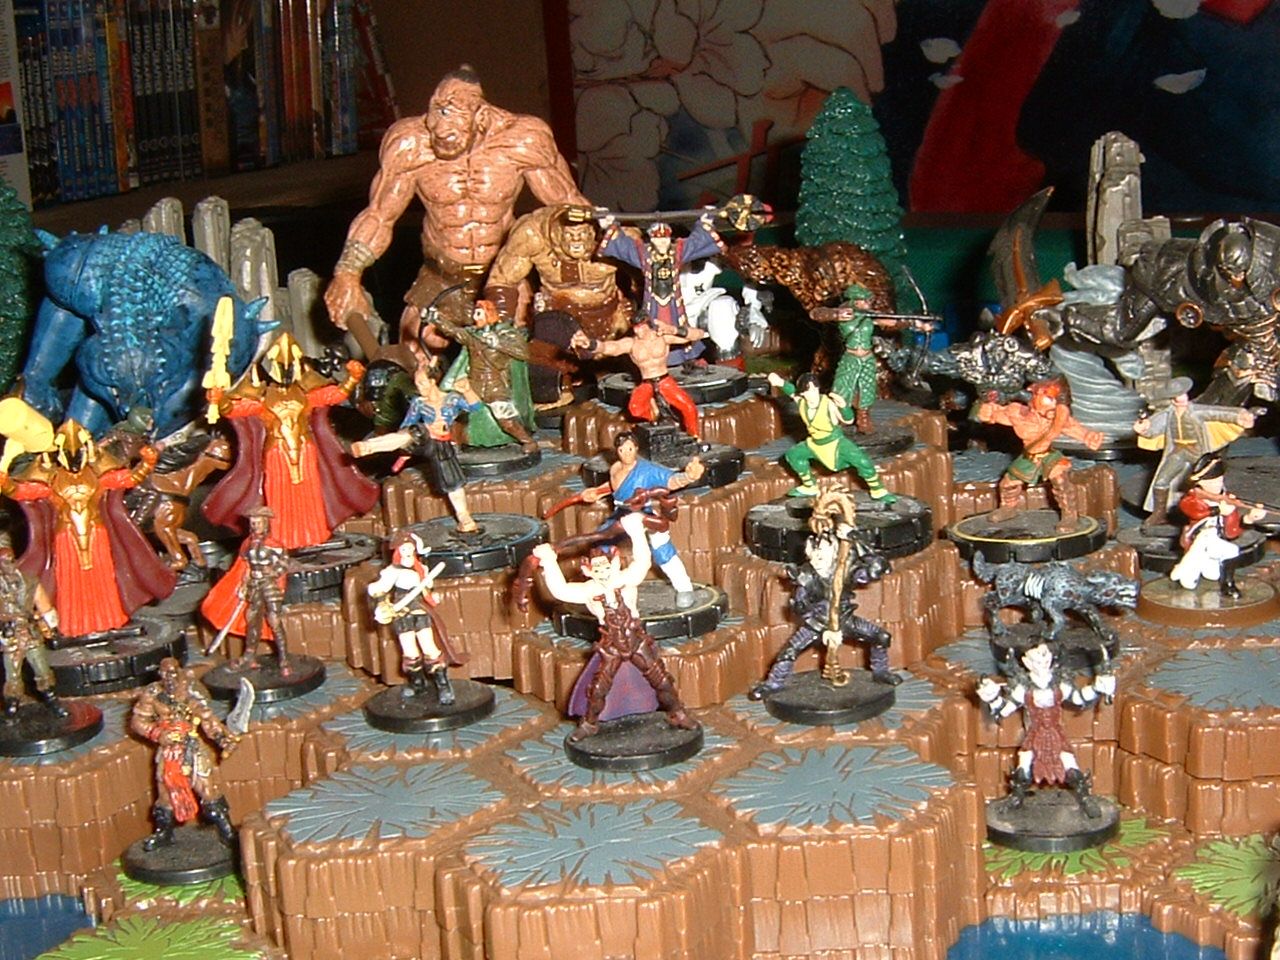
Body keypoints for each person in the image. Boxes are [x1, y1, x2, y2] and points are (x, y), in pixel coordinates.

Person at [324, 67, 586, 357]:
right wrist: (348, 272)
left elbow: (568, 204)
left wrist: (609, 250)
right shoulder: (411, 145)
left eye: (450, 133)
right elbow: (379, 215)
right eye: (434, 123)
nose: (438, 134)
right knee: (413, 356)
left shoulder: (522, 140)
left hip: (504, 276)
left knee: (516, 359)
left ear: (480, 117)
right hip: (442, 275)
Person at [526, 512, 696, 741]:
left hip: (635, 640)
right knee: (598, 689)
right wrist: (549, 561)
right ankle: (589, 724)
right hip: (611, 645)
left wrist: (636, 531)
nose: (603, 573)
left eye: (606, 567)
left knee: (662, 680)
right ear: (588, 571)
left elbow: (642, 562)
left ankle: (678, 713)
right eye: (597, 569)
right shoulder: (590, 591)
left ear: (615, 563)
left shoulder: (626, 580)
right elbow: (561, 590)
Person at [203, 332, 379, 550]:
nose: (285, 369)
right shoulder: (262, 397)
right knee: (279, 496)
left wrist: (353, 377)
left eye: (289, 364)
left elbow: (334, 395)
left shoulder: (305, 392)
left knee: (310, 494)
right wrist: (219, 400)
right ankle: (282, 538)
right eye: (281, 365)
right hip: (277, 451)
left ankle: (315, 534)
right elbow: (234, 410)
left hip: (305, 449)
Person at [1, 420, 175, 637]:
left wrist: (148, 462)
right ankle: (73, 626)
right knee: (70, 581)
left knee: (103, 577)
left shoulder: (98, 475)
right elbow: (19, 491)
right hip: (66, 536)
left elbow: (129, 479)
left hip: (96, 532)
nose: (73, 455)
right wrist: (4, 472)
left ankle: (111, 619)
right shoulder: (51, 479)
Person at [750, 500, 900, 699]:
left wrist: (854, 538)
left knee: (881, 637)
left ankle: (881, 671)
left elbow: (877, 567)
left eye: (822, 554)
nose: (816, 559)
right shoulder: (806, 577)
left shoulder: (846, 571)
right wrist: (827, 628)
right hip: (816, 623)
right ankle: (773, 684)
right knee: (789, 652)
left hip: (845, 619)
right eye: (813, 554)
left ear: (836, 553)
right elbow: (801, 609)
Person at [977, 642, 1115, 817]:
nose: (1042, 664)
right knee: (1024, 763)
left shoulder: (1059, 684)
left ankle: (1085, 798)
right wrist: (992, 698)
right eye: (1037, 661)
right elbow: (1004, 710)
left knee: (1069, 762)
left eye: (1045, 660)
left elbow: (1078, 698)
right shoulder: (1023, 688)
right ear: (1027, 663)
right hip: (1035, 733)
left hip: (1056, 733)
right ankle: (1016, 798)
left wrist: (1097, 688)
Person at [351, 363, 484, 533]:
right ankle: (369, 446)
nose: (419, 388)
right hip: (421, 440)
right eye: (417, 384)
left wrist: (467, 390)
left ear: (433, 381)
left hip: (441, 445)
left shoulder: (451, 399)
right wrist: (404, 446)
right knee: (417, 431)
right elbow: (406, 425)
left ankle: (464, 517)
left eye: (422, 383)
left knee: (453, 482)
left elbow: (476, 407)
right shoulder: (418, 403)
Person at [579, 431, 704, 608]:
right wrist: (597, 492)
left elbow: (670, 481)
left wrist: (688, 477)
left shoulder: (647, 470)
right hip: (620, 512)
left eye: (630, 449)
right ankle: (606, 589)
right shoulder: (615, 468)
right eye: (622, 450)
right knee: (601, 545)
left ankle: (684, 588)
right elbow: (616, 487)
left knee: (661, 548)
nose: (626, 453)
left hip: (643, 513)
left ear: (636, 448)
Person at [130, 658, 238, 849]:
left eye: (172, 673)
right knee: (165, 795)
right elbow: (138, 722)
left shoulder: (191, 689)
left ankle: (226, 830)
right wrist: (157, 733)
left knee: (207, 789)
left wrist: (222, 739)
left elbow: (206, 717)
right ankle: (164, 833)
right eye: (164, 674)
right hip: (169, 750)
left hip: (192, 747)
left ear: (179, 672)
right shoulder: (153, 693)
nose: (169, 678)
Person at [976, 378, 1103, 532]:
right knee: (1008, 484)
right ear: (1035, 394)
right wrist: (986, 411)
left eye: (1055, 400)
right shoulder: (1016, 413)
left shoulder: (1056, 417)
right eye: (1048, 397)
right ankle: (1008, 508)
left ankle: (1070, 516)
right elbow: (994, 415)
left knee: (1060, 481)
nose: (1053, 405)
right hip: (1029, 456)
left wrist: (1089, 437)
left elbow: (1074, 429)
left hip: (1049, 455)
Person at [1132, 377, 1253, 529]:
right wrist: (1144, 429)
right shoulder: (1167, 414)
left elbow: (1218, 413)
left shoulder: (1197, 411)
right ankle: (1159, 514)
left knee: (1208, 484)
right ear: (1172, 398)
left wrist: (1240, 416)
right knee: (1161, 481)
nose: (1182, 397)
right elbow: (1153, 428)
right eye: (1178, 395)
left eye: (1183, 394)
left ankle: (1217, 507)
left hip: (1197, 452)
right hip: (1177, 451)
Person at [366, 531, 464, 704]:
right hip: (402, 611)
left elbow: (428, 589)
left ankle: (443, 685)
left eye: (410, 548)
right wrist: (381, 603)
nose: (408, 552)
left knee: (429, 647)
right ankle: (417, 683)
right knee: (409, 650)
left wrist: (431, 596)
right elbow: (379, 589)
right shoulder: (392, 571)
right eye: (404, 549)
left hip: (419, 609)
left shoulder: (422, 569)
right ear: (398, 551)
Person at [766, 371, 896, 501]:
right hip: (815, 444)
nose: (813, 393)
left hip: (835, 442)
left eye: (815, 389)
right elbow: (792, 391)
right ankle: (809, 485)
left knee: (862, 461)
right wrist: (779, 382)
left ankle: (878, 490)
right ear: (803, 393)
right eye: (808, 390)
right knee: (793, 455)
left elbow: (848, 420)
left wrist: (844, 407)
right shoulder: (801, 402)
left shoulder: (828, 404)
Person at [570, 320, 708, 437]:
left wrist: (673, 329)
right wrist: (589, 344)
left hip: (664, 380)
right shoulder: (632, 343)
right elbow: (609, 347)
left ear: (648, 326)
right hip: (646, 382)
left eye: (641, 327)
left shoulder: (662, 337)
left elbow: (697, 335)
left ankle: (694, 436)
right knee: (635, 408)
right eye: (635, 328)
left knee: (688, 407)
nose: (637, 331)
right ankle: (655, 418)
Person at [434, 299, 537, 452]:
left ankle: (528, 442)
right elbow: (453, 331)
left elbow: (523, 353)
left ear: (489, 314)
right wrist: (435, 318)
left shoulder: (505, 334)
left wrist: (497, 343)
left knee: (506, 419)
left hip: (494, 385)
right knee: (450, 407)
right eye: (475, 313)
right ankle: (452, 442)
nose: (476, 318)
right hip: (473, 384)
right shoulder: (472, 335)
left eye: (479, 314)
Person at [1169, 452, 1266, 597]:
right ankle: (1228, 585)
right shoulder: (1193, 498)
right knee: (1231, 552)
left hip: (1216, 537)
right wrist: (1217, 510)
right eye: (1212, 482)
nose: (1217, 485)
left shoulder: (1225, 500)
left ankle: (1183, 569)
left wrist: (1249, 519)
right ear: (1201, 483)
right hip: (1201, 537)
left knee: (1212, 575)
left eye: (1219, 480)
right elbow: (1192, 510)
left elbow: (1232, 531)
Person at [0, 545, 65, 719]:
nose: (8, 565)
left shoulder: (29, 582)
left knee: (42, 670)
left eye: (10, 561)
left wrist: (52, 627)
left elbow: (44, 605)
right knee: (12, 676)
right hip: (10, 637)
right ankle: (12, 707)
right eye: (3, 562)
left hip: (30, 633)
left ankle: (52, 700)